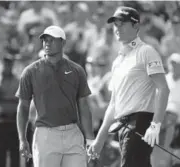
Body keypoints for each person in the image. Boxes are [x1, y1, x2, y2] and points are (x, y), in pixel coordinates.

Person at [88, 6, 170, 167]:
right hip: (123, 126)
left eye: (122, 24)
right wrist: (100, 140)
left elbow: (163, 88)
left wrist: (155, 124)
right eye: (116, 24)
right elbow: (113, 104)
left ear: (136, 26)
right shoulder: (118, 62)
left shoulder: (146, 51)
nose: (118, 28)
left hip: (141, 123)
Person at [16, 25, 95, 167]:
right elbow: (23, 107)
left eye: (52, 40)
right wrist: (22, 139)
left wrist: (89, 139)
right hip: (45, 135)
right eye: (45, 40)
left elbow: (83, 106)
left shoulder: (77, 70)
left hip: (73, 134)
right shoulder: (30, 72)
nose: (47, 43)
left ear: (63, 43)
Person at [0, 55, 20, 167]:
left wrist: (8, 98)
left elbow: (20, 98)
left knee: (15, 153)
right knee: (1, 152)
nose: (7, 67)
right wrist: (0, 81)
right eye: (5, 65)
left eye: (9, 65)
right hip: (1, 121)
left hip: (14, 121)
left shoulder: (18, 80)